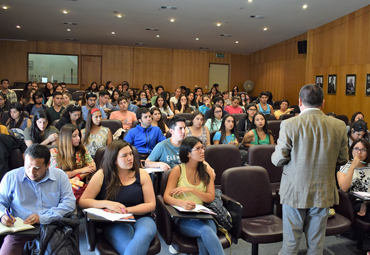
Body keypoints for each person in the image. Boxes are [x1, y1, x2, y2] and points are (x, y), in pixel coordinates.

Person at [271, 84, 348, 255]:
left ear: (299, 102)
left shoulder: (289, 124)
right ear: (323, 103)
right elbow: (343, 159)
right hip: (323, 191)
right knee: (316, 247)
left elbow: (279, 159)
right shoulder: (339, 125)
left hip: (295, 191)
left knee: (291, 245)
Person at [79, 140, 156, 255]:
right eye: (124, 156)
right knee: (132, 250)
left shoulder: (142, 174)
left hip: (142, 218)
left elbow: (151, 204)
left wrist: (127, 210)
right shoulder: (102, 175)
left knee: (145, 234)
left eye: (130, 154)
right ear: (114, 159)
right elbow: (83, 202)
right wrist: (107, 203)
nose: (130, 158)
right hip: (115, 222)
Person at [0, 144, 75, 254]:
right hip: (21, 231)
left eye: (37, 168)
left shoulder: (60, 176)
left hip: (52, 229)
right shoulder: (11, 177)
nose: (31, 172)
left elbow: (69, 203)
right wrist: (2, 215)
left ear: (48, 164)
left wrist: (43, 218)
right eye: (28, 166)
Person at [163, 137, 223, 255]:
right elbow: (166, 197)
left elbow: (210, 197)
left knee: (205, 236)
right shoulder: (178, 170)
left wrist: (192, 190)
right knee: (206, 231)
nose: (202, 151)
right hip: (182, 216)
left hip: (203, 215)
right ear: (188, 154)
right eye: (198, 149)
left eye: (203, 148)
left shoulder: (207, 171)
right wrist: (182, 203)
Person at [50, 124, 96, 202]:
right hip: (61, 187)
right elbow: (58, 175)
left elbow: (92, 167)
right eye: (74, 136)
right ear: (66, 138)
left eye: (78, 135)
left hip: (79, 184)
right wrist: (81, 170)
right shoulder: (54, 152)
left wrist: (79, 177)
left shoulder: (82, 149)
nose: (78, 138)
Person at [337, 138, 370, 219]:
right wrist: (352, 167)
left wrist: (366, 203)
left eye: (363, 150)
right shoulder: (344, 166)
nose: (359, 152)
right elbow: (344, 188)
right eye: (356, 149)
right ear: (351, 150)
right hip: (352, 202)